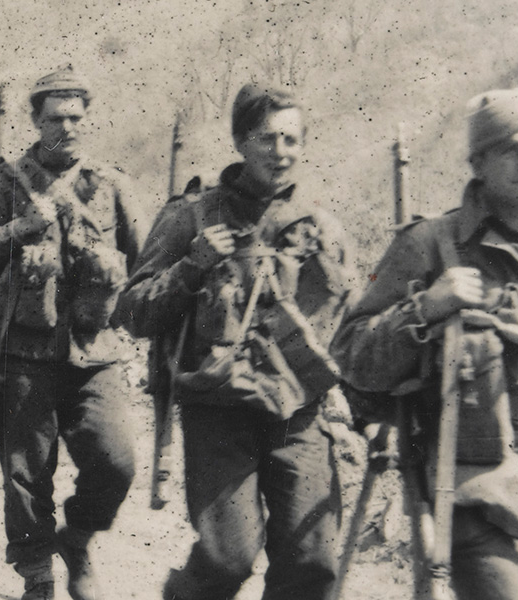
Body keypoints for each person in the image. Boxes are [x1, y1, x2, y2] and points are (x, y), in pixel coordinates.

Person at [121, 83, 352, 600]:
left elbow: (347, 327)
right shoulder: (193, 215)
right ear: (240, 142)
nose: (281, 152)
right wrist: (192, 265)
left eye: (292, 139)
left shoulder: (323, 227)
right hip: (219, 409)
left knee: (312, 563)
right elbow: (133, 311)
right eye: (267, 138)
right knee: (228, 558)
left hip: (299, 412)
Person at [331, 88, 518, 600]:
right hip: (473, 493)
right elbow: (351, 355)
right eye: (509, 149)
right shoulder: (428, 245)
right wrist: (424, 310)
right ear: (478, 163)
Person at [0, 67, 145, 600]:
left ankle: (77, 538)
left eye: (77, 117)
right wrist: (16, 230)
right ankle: (37, 571)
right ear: (35, 121)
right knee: (26, 475)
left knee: (117, 460)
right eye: (56, 118)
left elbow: (146, 265)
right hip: (22, 351)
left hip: (94, 352)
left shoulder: (109, 185)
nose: (68, 128)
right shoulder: (3, 184)